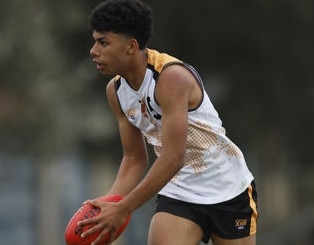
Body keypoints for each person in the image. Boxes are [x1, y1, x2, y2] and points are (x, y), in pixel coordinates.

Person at [78, 0, 258, 244]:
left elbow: (174, 156)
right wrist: (110, 206)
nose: (93, 50)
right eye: (95, 41)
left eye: (103, 42)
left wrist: (124, 209)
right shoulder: (116, 91)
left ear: (131, 46)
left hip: (228, 188)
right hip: (179, 190)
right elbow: (134, 159)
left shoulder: (171, 78)